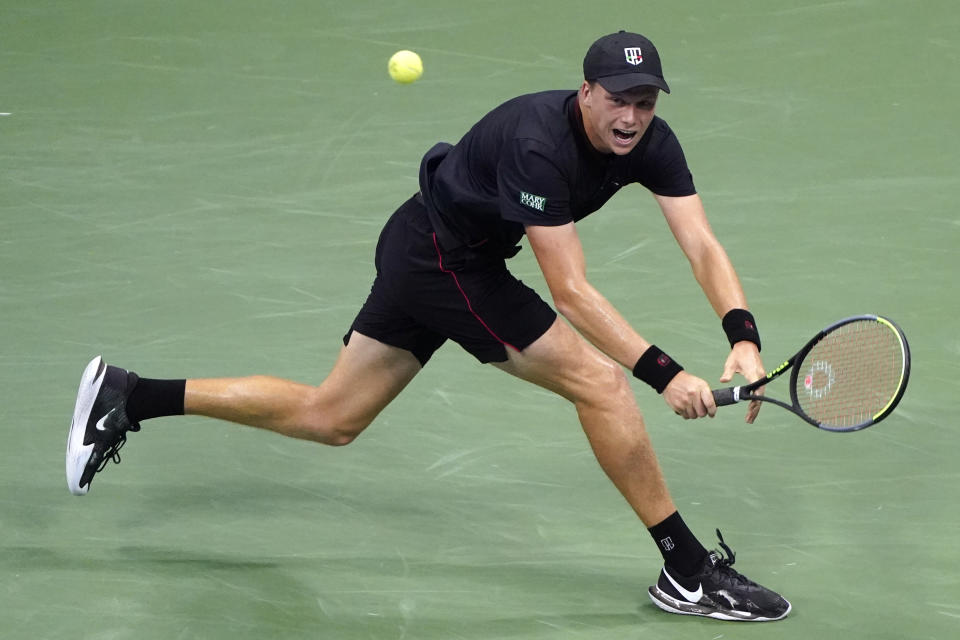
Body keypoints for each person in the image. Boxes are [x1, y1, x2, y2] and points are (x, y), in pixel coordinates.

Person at [66, 31, 790, 622]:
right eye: (616, 101)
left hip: (425, 246)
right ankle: (688, 573)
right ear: (586, 93)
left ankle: (130, 396)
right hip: (447, 262)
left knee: (332, 416)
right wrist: (664, 373)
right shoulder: (541, 143)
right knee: (603, 385)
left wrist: (743, 337)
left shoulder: (651, 142)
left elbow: (700, 242)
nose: (631, 117)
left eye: (644, 102)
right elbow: (568, 288)